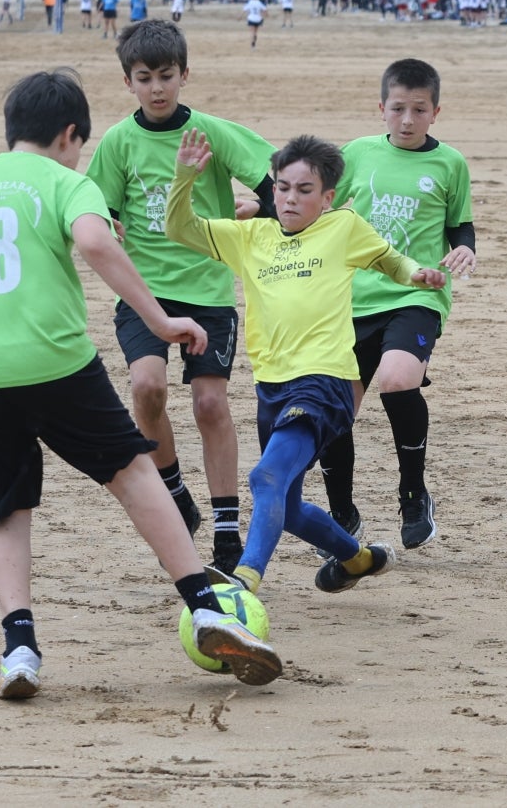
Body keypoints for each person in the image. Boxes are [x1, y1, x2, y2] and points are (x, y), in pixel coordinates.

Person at [0, 69, 282, 696]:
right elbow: (96, 241)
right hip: (54, 360)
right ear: (70, 135)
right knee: (132, 472)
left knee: (4, 507)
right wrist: (159, 319)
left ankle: (20, 650)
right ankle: (205, 607)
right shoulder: (67, 182)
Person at [166, 131, 448, 596]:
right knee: (289, 506)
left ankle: (244, 580)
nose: (289, 199)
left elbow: (390, 260)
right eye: (282, 187)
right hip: (271, 388)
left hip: (324, 381)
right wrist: (183, 177)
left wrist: (416, 274)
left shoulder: (343, 227)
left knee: (265, 477)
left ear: (327, 197)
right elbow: (180, 228)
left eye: (304, 189)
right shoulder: (249, 236)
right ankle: (358, 558)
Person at [85, 19, 278, 576]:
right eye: (145, 78)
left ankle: (226, 532)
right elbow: (99, 211)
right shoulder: (119, 142)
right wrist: (108, 222)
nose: (157, 88)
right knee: (147, 388)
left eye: (166, 76)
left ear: (185, 75)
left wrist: (259, 212)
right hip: (144, 294)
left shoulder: (211, 133)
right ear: (128, 82)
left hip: (208, 290)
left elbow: (277, 184)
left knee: (209, 404)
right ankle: (174, 492)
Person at [315, 58, 476, 551]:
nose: (408, 120)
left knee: (398, 378)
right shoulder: (358, 153)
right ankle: (342, 513)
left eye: (419, 110)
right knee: (336, 410)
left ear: (436, 112)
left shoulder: (450, 163)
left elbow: (460, 224)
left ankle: (413, 494)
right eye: (398, 108)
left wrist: (466, 248)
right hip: (352, 299)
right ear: (381, 107)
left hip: (417, 293)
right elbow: (319, 202)